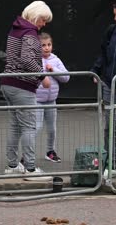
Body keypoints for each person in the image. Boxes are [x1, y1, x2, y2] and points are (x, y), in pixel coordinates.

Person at [0, 0, 52, 181]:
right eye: (43, 20)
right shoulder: (30, 33)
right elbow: (27, 60)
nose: (44, 24)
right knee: (28, 126)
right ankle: (30, 169)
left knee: (15, 126)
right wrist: (43, 75)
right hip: (22, 85)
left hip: (8, 82)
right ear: (36, 16)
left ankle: (12, 165)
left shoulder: (16, 29)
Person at [90, 0, 116, 180]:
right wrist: (96, 70)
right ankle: (110, 165)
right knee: (111, 127)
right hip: (111, 84)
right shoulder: (111, 31)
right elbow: (103, 53)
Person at [35, 32, 70, 163]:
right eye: (43, 45)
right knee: (36, 127)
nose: (46, 48)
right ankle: (27, 155)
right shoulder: (34, 60)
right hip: (37, 101)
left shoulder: (56, 60)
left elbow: (66, 77)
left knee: (52, 128)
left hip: (51, 101)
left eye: (49, 45)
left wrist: (53, 70)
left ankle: (50, 152)